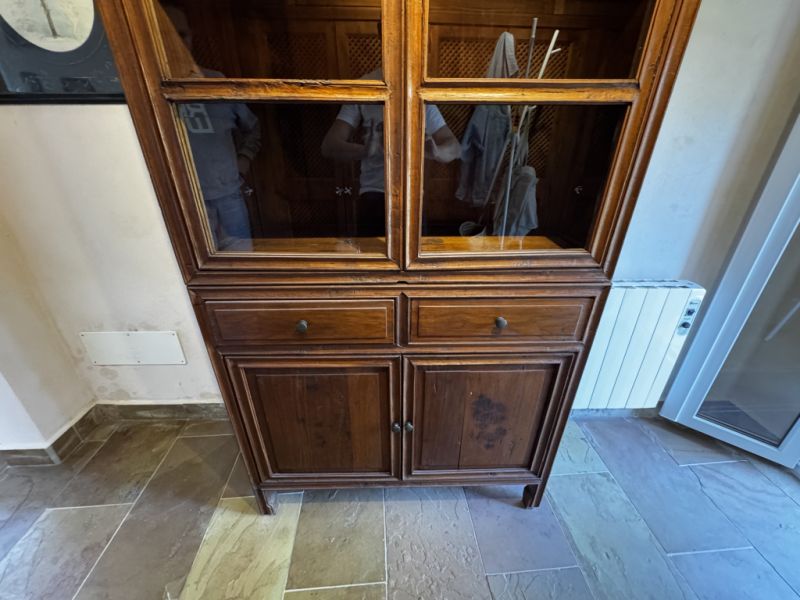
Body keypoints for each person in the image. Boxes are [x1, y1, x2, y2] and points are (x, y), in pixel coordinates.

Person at [163, 3, 261, 251]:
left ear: (191, 37)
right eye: (168, 35)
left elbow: (253, 126)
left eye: (182, 35)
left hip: (229, 196)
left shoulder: (217, 83)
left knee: (243, 267)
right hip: (183, 204)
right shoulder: (149, 91)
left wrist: (245, 157)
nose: (176, 43)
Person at [321, 65, 460, 236]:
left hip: (412, 195)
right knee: (373, 259)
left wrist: (436, 153)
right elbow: (329, 146)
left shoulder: (417, 87)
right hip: (373, 195)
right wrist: (364, 151)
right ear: (381, 37)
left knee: (413, 261)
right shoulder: (365, 87)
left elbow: (454, 147)